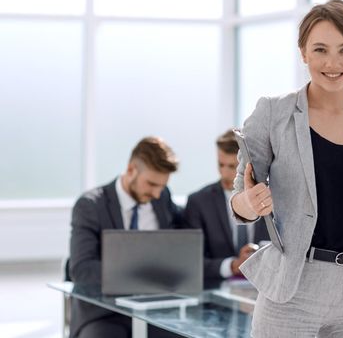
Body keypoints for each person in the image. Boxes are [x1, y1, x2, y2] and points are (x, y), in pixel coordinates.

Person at [231, 0, 343, 338]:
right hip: (292, 291)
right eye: (320, 49)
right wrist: (249, 204)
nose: (332, 63)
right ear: (303, 53)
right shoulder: (272, 113)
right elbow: (240, 197)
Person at [69, 136, 184, 338]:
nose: (156, 193)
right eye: (151, 184)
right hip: (104, 313)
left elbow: (182, 239)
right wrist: (138, 273)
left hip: (155, 310)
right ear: (131, 170)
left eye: (161, 186)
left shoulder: (161, 198)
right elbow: (82, 269)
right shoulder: (90, 206)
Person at [185, 129, 269, 280]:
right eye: (220, 164)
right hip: (216, 291)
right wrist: (233, 265)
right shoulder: (198, 202)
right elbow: (191, 261)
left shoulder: (269, 196)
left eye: (232, 167)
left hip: (265, 288)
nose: (224, 173)